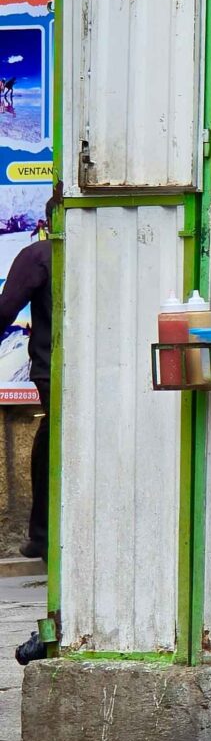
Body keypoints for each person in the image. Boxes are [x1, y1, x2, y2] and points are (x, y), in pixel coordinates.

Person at [0, 213, 52, 560]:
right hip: (110, 369)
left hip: (53, 370)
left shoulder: (39, 255)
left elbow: (5, 310)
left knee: (51, 445)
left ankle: (43, 536)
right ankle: (43, 536)